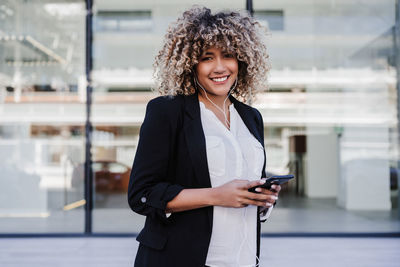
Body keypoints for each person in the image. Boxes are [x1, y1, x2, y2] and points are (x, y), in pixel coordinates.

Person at [128, 6, 281, 267]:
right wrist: (216, 195)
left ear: (241, 60)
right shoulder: (167, 111)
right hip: (182, 258)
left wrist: (262, 199)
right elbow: (142, 194)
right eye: (207, 57)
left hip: (242, 258)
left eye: (228, 56)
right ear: (191, 64)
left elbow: (246, 185)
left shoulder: (251, 117)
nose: (220, 67)